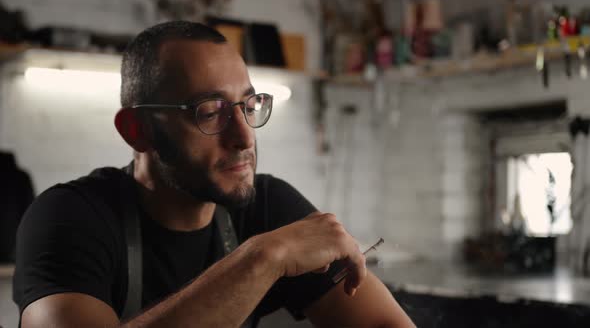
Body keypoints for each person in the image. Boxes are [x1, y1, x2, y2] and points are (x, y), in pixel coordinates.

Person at [13, 21, 415, 328]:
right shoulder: (69, 218)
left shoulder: (269, 204)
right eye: (210, 112)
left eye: (248, 105)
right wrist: (262, 258)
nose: (244, 138)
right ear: (138, 131)